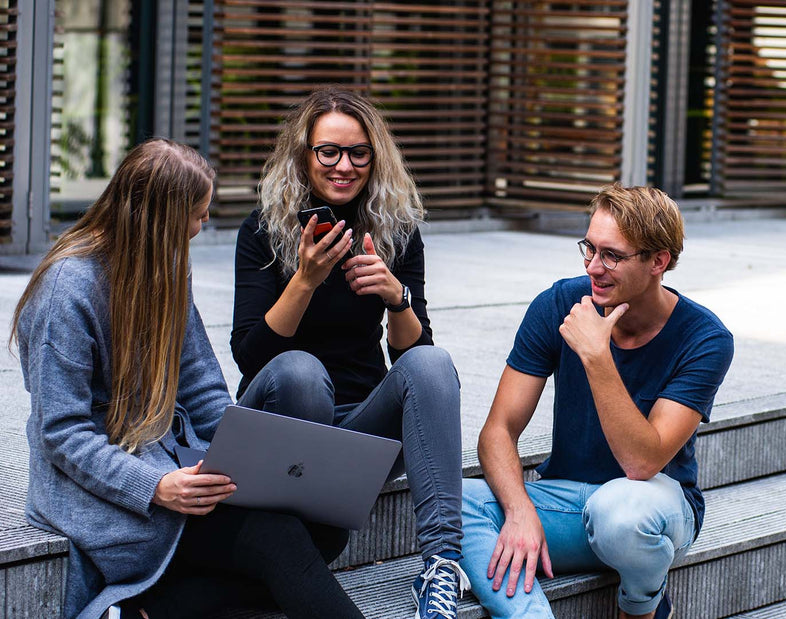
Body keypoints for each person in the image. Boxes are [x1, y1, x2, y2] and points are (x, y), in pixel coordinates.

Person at [12, 139, 364, 619]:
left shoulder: (167, 266)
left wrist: (251, 458)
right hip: (103, 492)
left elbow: (202, 390)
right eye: (197, 215)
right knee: (276, 538)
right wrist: (156, 487)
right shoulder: (65, 291)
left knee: (325, 529)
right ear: (159, 218)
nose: (203, 226)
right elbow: (63, 433)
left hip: (175, 464)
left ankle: (151, 608)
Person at [231, 87, 465, 619]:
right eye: (328, 151)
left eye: (358, 152)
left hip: (360, 431)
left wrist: (395, 297)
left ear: (374, 156)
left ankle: (441, 567)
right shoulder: (265, 230)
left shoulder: (395, 230)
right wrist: (306, 279)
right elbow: (250, 356)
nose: (344, 166)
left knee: (433, 364)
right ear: (304, 155)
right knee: (301, 371)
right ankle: (293, 543)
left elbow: (415, 355)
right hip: (282, 421)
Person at [459, 184, 734, 619]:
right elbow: (498, 431)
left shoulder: (704, 339)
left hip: (652, 508)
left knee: (620, 511)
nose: (593, 267)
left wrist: (596, 356)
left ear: (657, 262)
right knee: (454, 502)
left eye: (612, 255)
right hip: (567, 500)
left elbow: (641, 464)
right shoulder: (558, 303)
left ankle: (642, 603)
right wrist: (518, 511)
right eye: (589, 248)